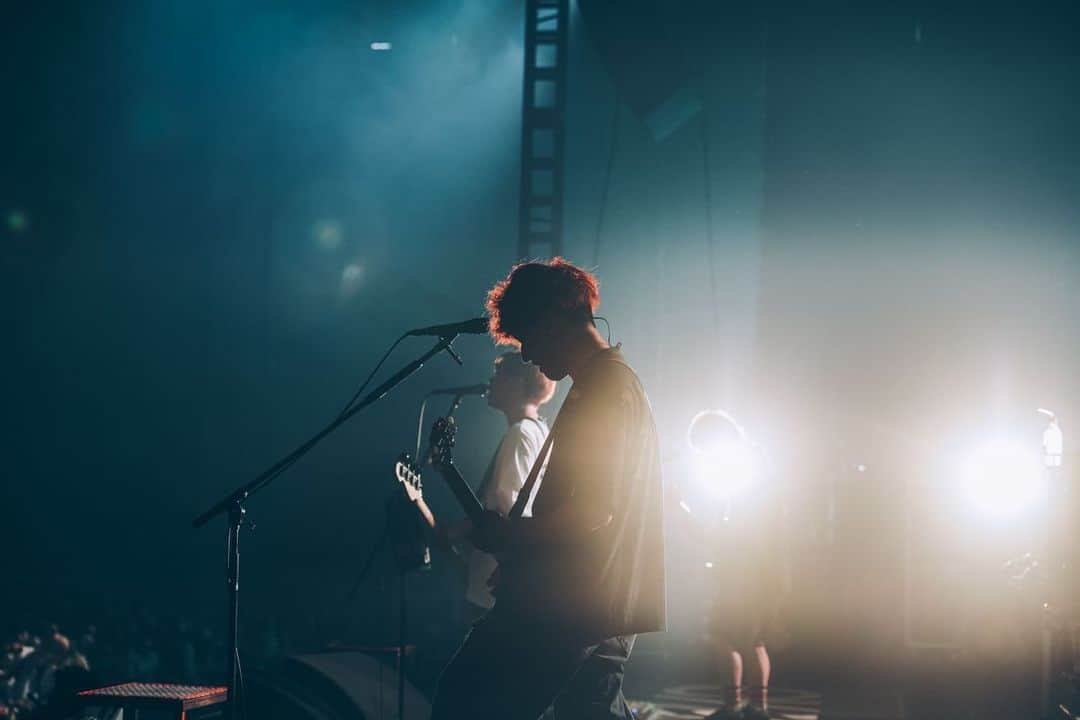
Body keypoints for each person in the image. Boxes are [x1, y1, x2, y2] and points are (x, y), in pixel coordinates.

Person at [430, 257, 666, 720]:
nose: (527, 356)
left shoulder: (607, 389)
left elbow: (593, 512)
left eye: (527, 336)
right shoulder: (600, 384)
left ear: (554, 316)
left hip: (572, 604)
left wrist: (516, 540)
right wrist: (528, 562)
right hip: (589, 601)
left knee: (465, 700)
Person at [436, 351, 556, 618]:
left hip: (493, 585)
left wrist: (456, 531)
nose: (491, 380)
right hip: (508, 580)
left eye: (500, 374)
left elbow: (505, 510)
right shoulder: (539, 432)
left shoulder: (520, 434)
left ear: (518, 383)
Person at [683, 411, 785, 720]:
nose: (702, 455)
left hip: (747, 570)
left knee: (724, 636)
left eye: (702, 447)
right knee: (752, 638)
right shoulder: (754, 460)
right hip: (759, 568)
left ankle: (736, 707)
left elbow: (728, 530)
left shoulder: (740, 467)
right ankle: (755, 708)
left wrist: (683, 515)